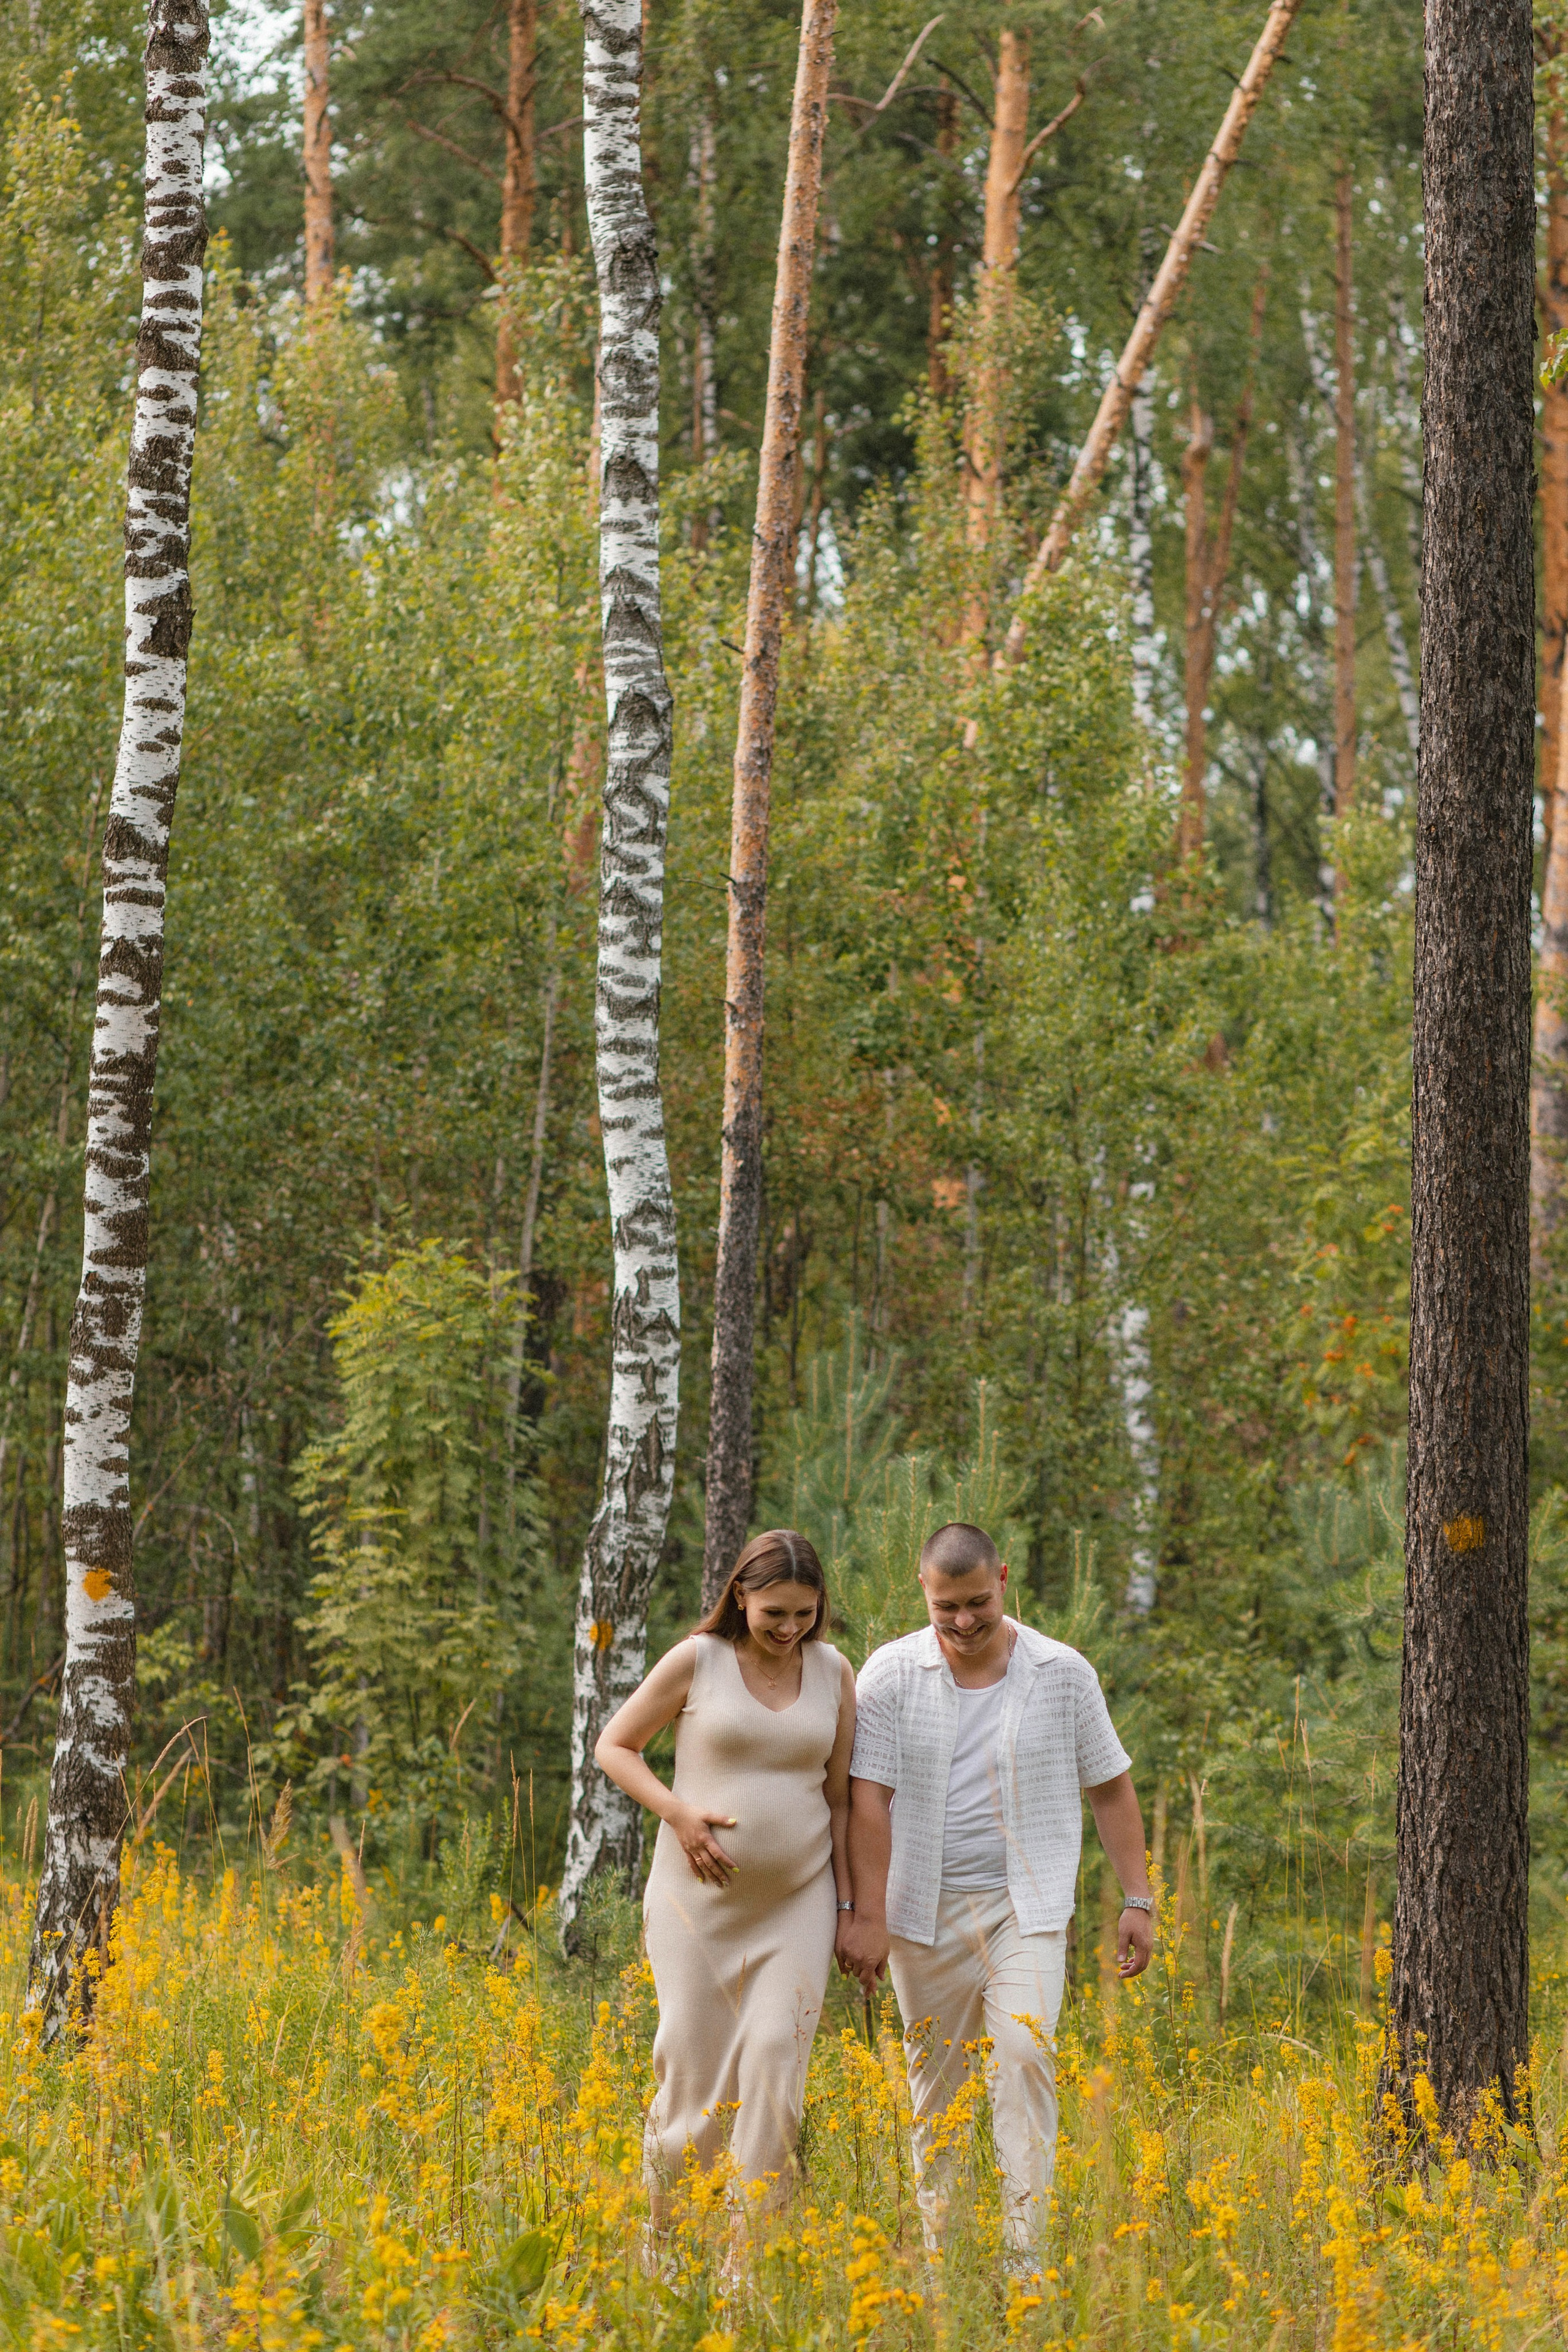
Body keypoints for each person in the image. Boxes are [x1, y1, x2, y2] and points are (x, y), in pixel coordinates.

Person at [840, 1521, 1153, 2268]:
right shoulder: (885, 1675)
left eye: (978, 1601)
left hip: (1028, 1906)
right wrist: (868, 1916)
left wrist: (1137, 1896)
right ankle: (942, 2266)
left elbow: (1109, 1788)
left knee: (1021, 2056)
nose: (963, 1620)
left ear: (1003, 1579)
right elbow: (866, 1802)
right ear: (923, 1589)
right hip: (922, 1913)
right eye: (946, 1606)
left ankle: (1027, 2267)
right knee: (935, 2092)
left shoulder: (1062, 1671)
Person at [594, 1527, 857, 2222]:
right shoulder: (697, 1660)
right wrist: (678, 1814)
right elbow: (615, 1746)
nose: (790, 1628)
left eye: (804, 1614)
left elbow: (838, 1798)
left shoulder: (833, 1671)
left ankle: (754, 2257)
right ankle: (671, 2243)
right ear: (740, 1595)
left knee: (776, 2062)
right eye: (775, 1614)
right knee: (694, 2072)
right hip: (696, 1906)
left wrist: (851, 1907)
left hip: (799, 1900)